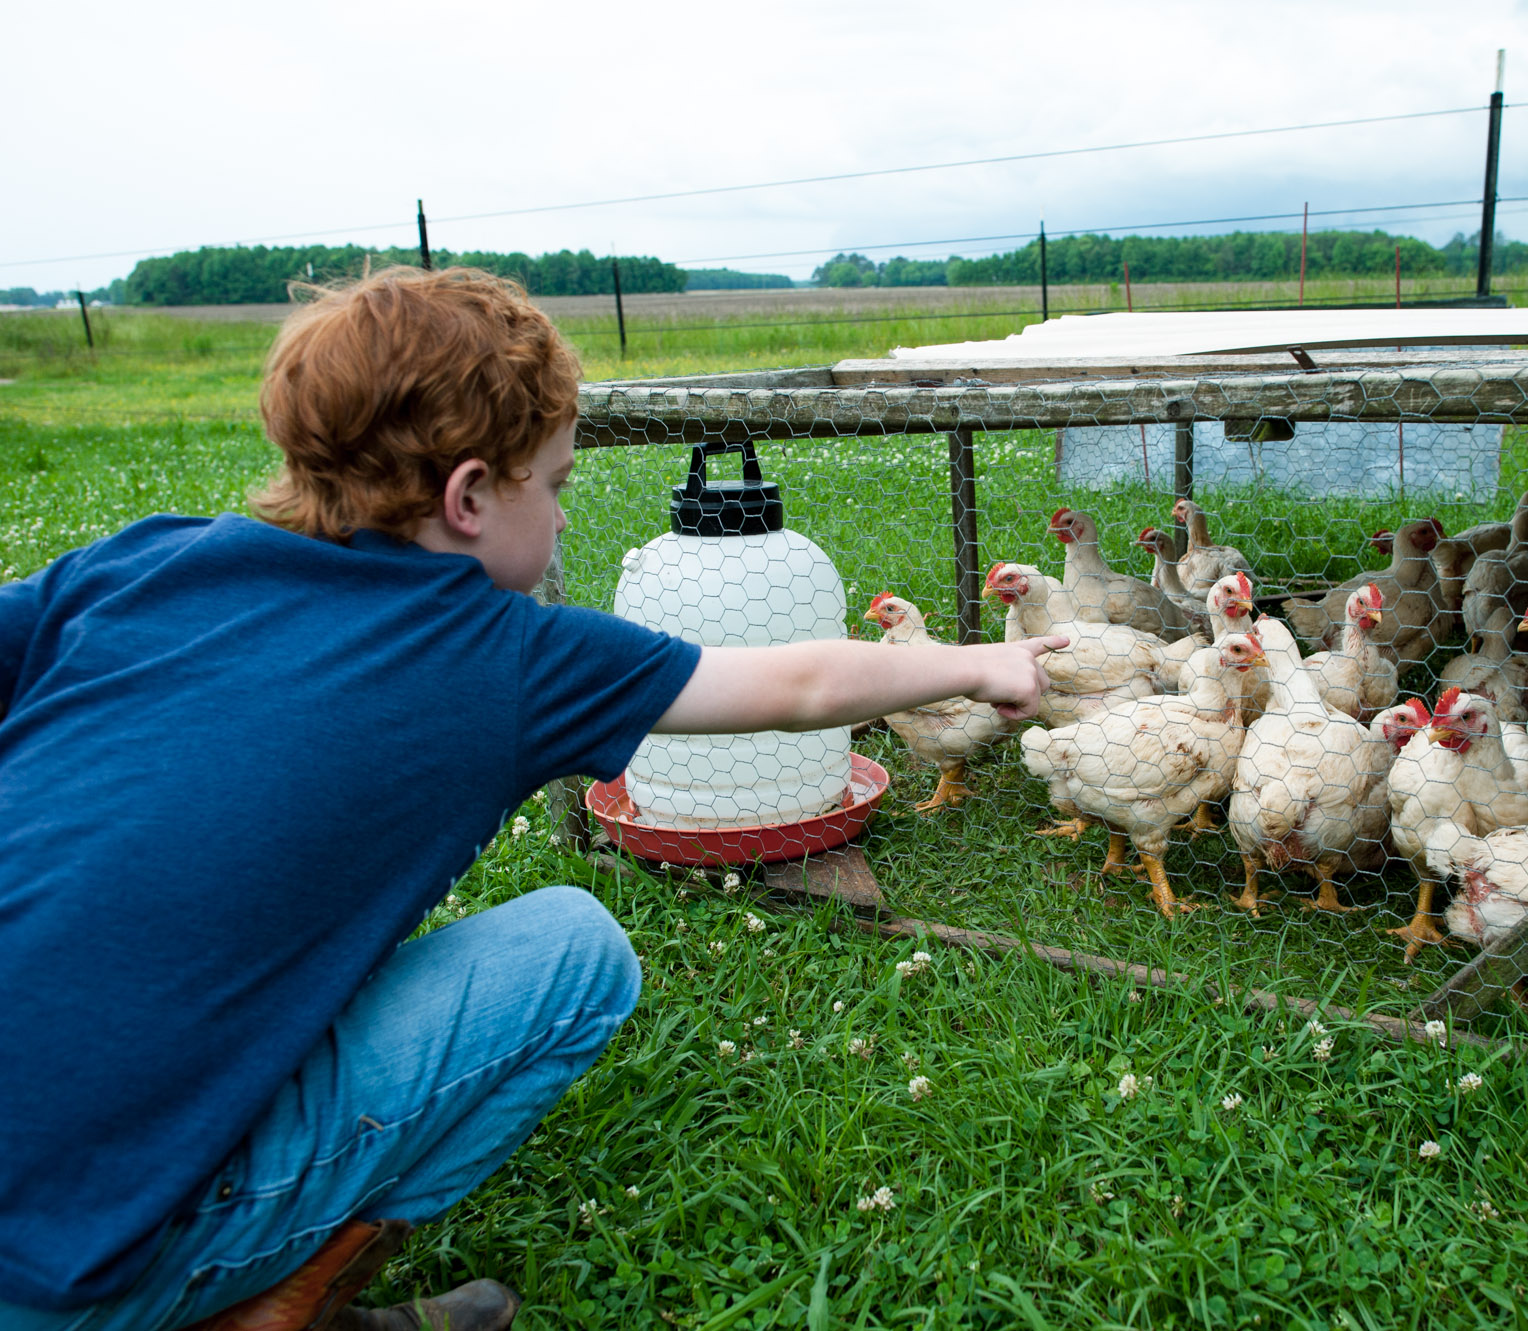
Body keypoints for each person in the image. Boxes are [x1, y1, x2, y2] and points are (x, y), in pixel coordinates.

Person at [0, 267, 1061, 1331]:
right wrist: (980, 666)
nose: (560, 516)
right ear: (467, 498)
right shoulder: (495, 653)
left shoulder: (138, 563)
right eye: (553, 485)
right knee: (571, 948)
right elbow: (798, 686)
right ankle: (270, 1300)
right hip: (69, 1267)